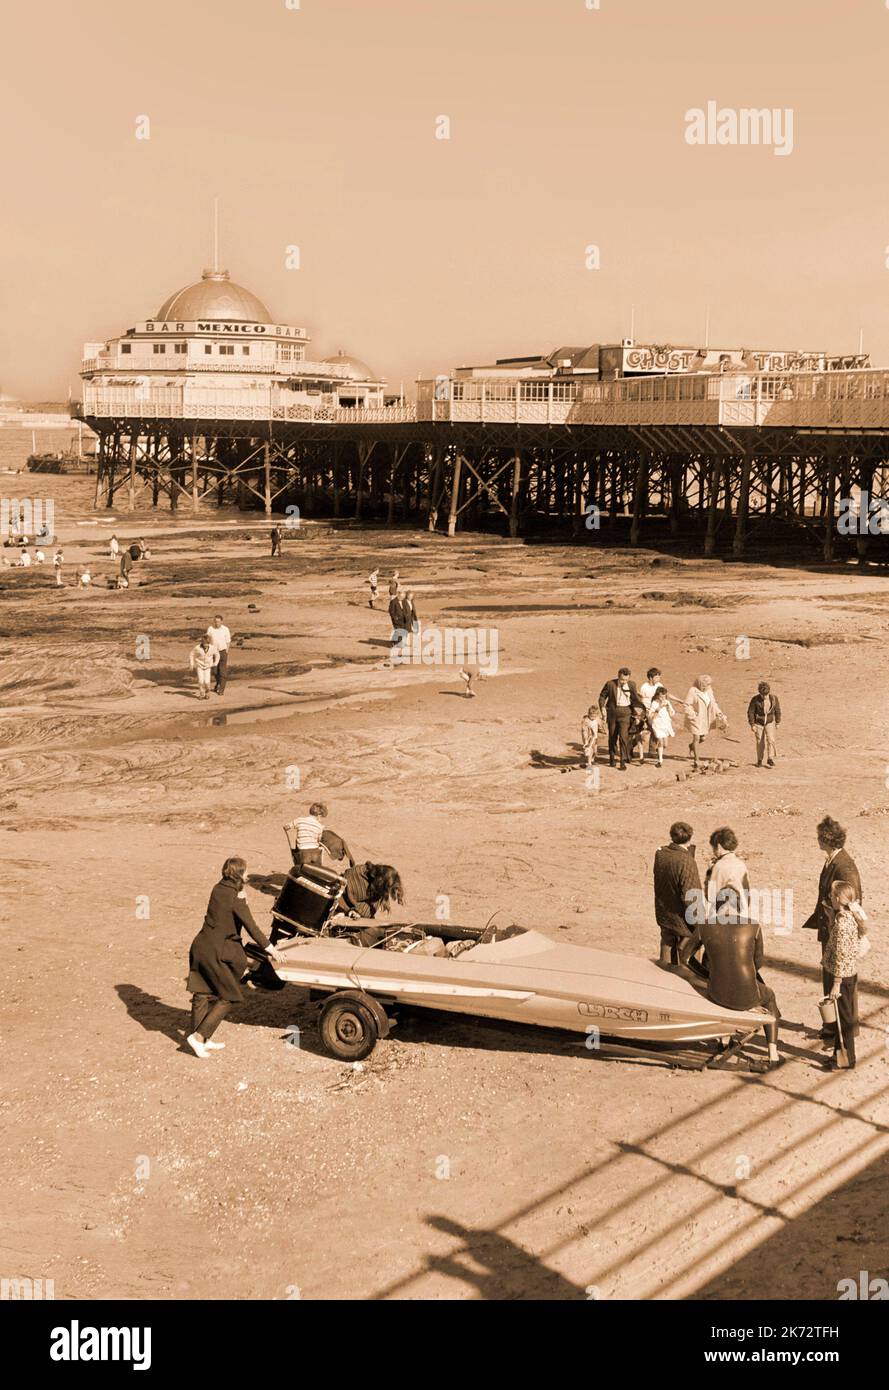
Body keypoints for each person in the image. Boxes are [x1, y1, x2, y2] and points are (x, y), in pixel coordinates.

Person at [185, 856, 282, 1058]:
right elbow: (251, 927)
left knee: (201, 994)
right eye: (245, 872)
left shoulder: (217, 888)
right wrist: (271, 949)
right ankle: (198, 1037)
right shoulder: (235, 898)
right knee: (229, 996)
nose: (248, 875)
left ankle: (202, 1039)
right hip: (216, 951)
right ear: (239, 874)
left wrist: (241, 895)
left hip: (201, 945)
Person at [693, 887, 781, 1066]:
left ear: (718, 906)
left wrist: (706, 974)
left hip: (716, 994)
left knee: (721, 989)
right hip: (747, 995)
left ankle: (723, 1040)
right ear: (739, 906)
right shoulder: (753, 926)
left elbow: (685, 955)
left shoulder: (704, 925)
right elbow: (758, 964)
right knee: (769, 996)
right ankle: (773, 1052)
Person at [802, 815, 862, 1037]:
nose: (817, 840)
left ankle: (844, 1031)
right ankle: (831, 1026)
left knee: (840, 981)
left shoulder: (845, 867)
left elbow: (853, 904)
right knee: (829, 978)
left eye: (820, 836)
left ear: (827, 839)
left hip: (838, 932)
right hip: (829, 928)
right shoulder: (832, 860)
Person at [820, 880, 861, 1069]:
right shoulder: (849, 917)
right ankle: (839, 1056)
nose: (830, 898)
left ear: (838, 898)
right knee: (842, 1017)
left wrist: (836, 983)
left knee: (844, 1020)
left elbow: (841, 956)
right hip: (848, 974)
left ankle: (847, 1059)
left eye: (832, 896)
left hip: (842, 977)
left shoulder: (843, 924)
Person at [653, 822, 702, 971]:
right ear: (690, 837)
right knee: (690, 952)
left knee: (666, 945)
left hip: (664, 912)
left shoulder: (661, 853)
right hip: (682, 919)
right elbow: (691, 895)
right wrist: (700, 923)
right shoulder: (686, 860)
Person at [598, 668, 642, 771]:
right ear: (618, 676)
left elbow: (635, 700)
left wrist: (638, 714)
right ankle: (612, 758)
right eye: (622, 680)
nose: (624, 682)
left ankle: (622, 761)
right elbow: (602, 696)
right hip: (612, 713)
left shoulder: (632, 685)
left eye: (626, 680)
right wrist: (603, 707)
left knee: (623, 737)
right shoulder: (610, 684)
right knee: (612, 736)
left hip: (626, 713)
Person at [705, 827, 750, 920]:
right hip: (741, 913)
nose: (713, 851)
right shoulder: (741, 865)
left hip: (721, 916)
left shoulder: (718, 866)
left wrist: (709, 873)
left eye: (714, 848)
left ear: (719, 846)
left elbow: (711, 896)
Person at [684, 674, 726, 768]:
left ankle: (692, 746)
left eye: (709, 684)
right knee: (697, 738)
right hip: (695, 718)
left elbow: (713, 702)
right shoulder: (693, 691)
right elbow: (687, 705)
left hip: (706, 717)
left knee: (703, 738)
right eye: (706, 684)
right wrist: (693, 715)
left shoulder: (709, 690)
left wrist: (719, 712)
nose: (707, 686)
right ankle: (696, 759)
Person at [747, 681, 781, 768]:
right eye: (763, 695)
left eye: (766, 694)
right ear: (760, 693)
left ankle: (770, 758)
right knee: (760, 742)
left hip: (769, 722)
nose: (765, 696)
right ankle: (759, 760)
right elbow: (750, 712)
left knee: (771, 740)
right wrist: (752, 724)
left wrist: (777, 722)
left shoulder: (774, 698)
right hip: (759, 723)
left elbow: (777, 710)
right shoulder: (755, 699)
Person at [285, 801, 328, 868]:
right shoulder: (320, 826)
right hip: (315, 852)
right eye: (321, 817)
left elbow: (287, 827)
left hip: (303, 852)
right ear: (319, 816)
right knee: (320, 849)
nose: (321, 820)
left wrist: (286, 827)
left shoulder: (299, 820)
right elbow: (319, 839)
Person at [648, 685, 676, 767]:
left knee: (665, 745)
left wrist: (668, 709)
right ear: (657, 695)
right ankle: (660, 761)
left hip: (665, 724)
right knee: (660, 742)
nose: (663, 698)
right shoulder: (654, 703)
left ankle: (659, 750)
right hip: (657, 724)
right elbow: (651, 715)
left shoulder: (667, 702)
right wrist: (659, 707)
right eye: (661, 696)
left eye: (664, 696)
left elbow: (672, 713)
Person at [207, 613, 232, 695]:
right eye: (215, 621)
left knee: (222, 671)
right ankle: (218, 683)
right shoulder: (210, 629)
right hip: (213, 652)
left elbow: (228, 641)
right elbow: (207, 640)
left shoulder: (225, 629)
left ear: (221, 622)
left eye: (218, 622)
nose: (216, 623)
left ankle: (221, 690)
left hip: (222, 652)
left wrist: (226, 651)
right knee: (214, 671)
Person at [189, 635, 218, 699]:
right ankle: (202, 694)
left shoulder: (213, 648)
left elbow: (217, 655)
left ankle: (207, 692)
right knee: (201, 681)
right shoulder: (197, 648)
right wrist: (191, 664)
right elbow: (191, 654)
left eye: (207, 643)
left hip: (208, 666)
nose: (206, 645)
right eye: (204, 643)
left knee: (207, 682)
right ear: (202, 642)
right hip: (199, 666)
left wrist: (215, 663)